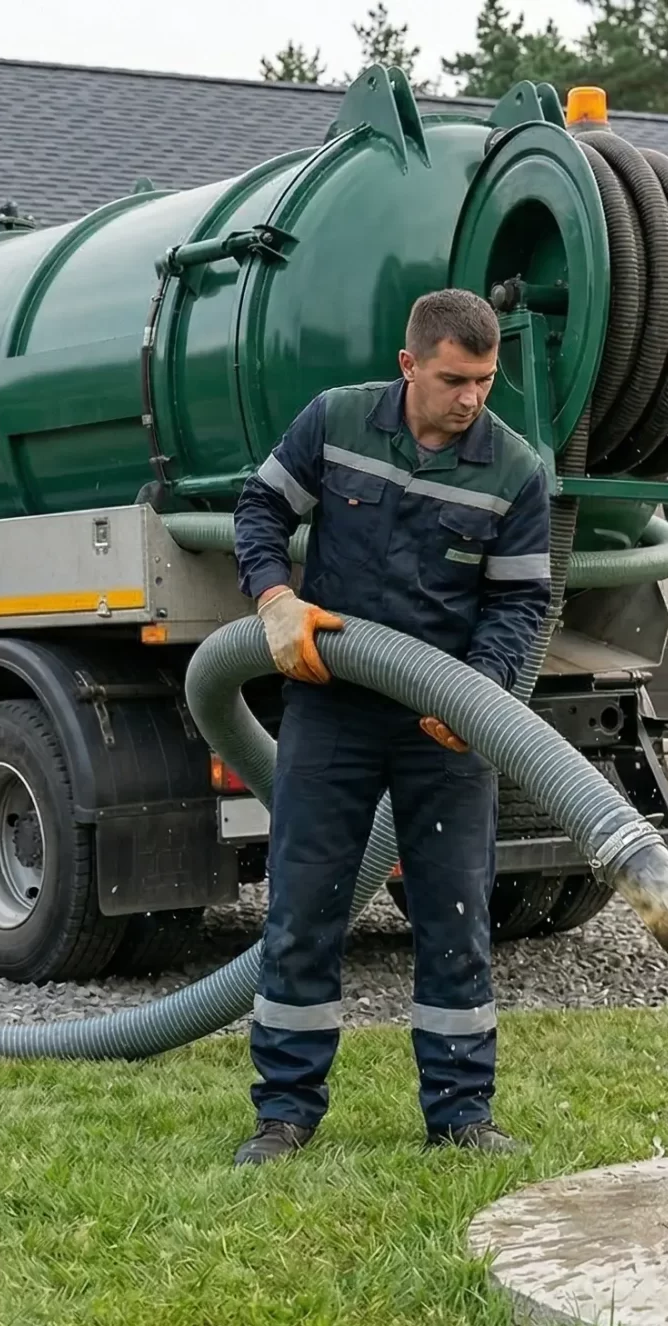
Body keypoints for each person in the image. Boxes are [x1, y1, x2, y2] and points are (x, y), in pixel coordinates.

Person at [227, 288, 554, 1166]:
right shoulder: (334, 423)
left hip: (444, 723)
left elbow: (521, 603)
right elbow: (258, 513)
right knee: (303, 909)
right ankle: (284, 1114)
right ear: (409, 364)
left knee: (455, 915)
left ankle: (461, 1118)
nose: (472, 398)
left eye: (485, 381)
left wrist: (478, 695)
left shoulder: (515, 469)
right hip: (331, 707)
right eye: (454, 379)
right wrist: (275, 597)